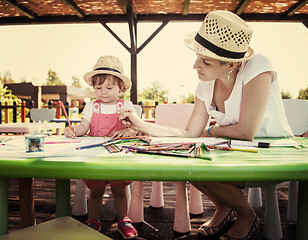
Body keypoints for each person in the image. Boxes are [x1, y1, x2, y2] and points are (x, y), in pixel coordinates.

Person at [119, 10, 293, 240]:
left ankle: (247, 216)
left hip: (272, 154)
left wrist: (211, 131)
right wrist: (140, 123)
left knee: (201, 164)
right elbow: (188, 133)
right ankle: (225, 209)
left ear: (230, 65)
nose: (195, 67)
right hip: (236, 153)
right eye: (197, 58)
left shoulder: (258, 65)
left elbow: (246, 131)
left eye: (205, 62)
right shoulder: (205, 85)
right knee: (189, 164)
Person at [64, 55, 138, 239]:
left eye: (109, 87)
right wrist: (74, 131)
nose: (103, 92)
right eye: (98, 88)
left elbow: (135, 128)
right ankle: (93, 220)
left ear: (120, 87)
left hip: (118, 156)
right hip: (95, 157)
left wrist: (128, 132)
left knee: (120, 191)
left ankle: (123, 220)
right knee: (95, 191)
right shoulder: (91, 106)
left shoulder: (126, 105)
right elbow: (83, 127)